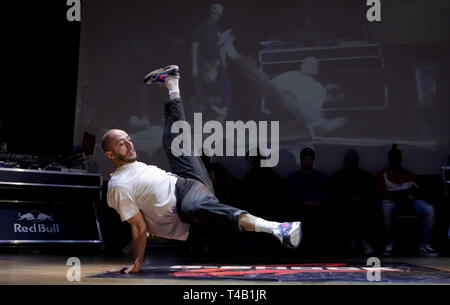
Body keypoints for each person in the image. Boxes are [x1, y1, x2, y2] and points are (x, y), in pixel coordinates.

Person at [103, 65, 302, 273]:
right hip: (185, 199)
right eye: (122, 143)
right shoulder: (118, 187)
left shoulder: (131, 169)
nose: (130, 144)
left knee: (172, 139)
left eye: (129, 139)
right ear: (109, 155)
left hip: (185, 179)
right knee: (193, 207)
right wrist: (137, 263)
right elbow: (138, 226)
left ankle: (171, 82)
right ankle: (278, 228)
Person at [376, 144, 438, 257]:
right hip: (391, 200)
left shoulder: (408, 174)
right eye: (392, 157)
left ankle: (424, 245)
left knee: (429, 209)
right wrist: (396, 196)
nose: (395, 159)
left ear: (400, 158)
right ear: (389, 158)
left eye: (397, 157)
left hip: (409, 201)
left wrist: (410, 195)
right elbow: (381, 193)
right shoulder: (383, 174)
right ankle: (389, 245)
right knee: (386, 210)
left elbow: (418, 191)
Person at [329, 149, 376, 255]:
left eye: (354, 160)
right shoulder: (338, 177)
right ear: (344, 161)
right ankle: (351, 241)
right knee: (347, 212)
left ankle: (363, 240)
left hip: (362, 206)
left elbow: (370, 194)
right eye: (349, 160)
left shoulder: (364, 176)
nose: (351, 163)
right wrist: (348, 199)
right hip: (344, 206)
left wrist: (360, 199)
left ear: (357, 161)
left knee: (364, 212)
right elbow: (334, 195)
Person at [286, 147, 328, 252]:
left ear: (313, 160)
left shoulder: (321, 177)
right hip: (300, 210)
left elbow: (325, 194)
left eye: (309, 158)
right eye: (304, 158)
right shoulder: (293, 178)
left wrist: (318, 202)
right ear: (301, 160)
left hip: (318, 210)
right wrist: (304, 203)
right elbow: (291, 196)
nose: (306, 161)